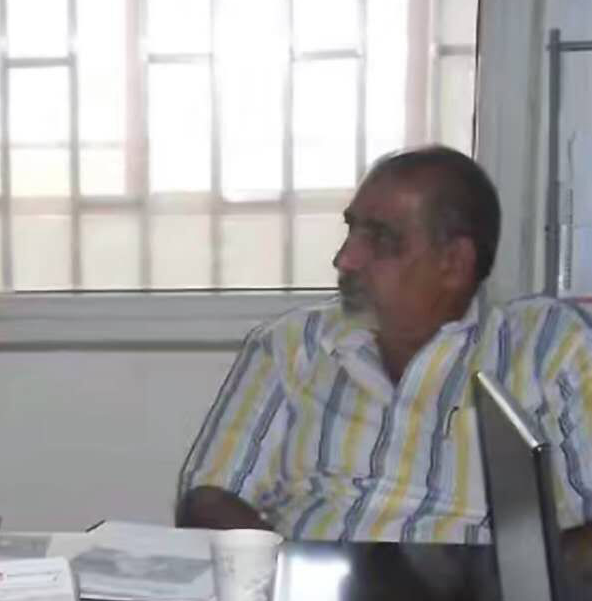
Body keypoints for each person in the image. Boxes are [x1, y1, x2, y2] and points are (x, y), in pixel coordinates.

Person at [177, 145, 592, 543]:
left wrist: (522, 579)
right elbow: (209, 496)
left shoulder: (549, 347)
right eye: (351, 230)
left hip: (473, 587)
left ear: (453, 263)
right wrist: (282, 572)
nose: (345, 258)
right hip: (311, 582)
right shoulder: (293, 343)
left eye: (379, 239)